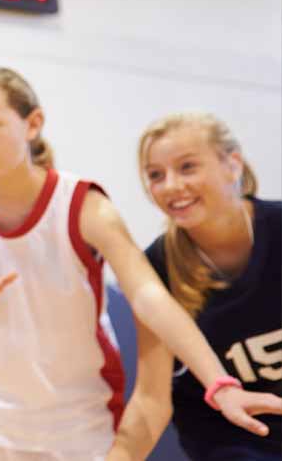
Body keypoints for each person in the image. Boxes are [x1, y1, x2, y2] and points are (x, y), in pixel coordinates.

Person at [0, 67, 274, 460]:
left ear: (33, 124)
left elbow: (149, 295)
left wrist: (219, 382)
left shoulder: (83, 204)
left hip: (78, 418)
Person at [107, 113, 281, 461]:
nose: (170, 186)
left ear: (232, 165)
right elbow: (151, 396)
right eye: (156, 175)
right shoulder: (155, 268)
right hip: (232, 442)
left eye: (187, 167)